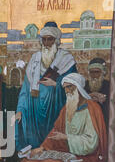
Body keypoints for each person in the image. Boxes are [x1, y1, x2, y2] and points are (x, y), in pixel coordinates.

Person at [9, 73, 107, 162]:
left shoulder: (92, 109)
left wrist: (67, 138)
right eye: (65, 88)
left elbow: (92, 143)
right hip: (64, 152)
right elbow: (55, 133)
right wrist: (41, 149)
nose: (67, 91)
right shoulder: (67, 109)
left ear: (79, 88)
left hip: (86, 157)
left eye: (70, 87)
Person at [15, 22, 77, 151]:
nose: (47, 43)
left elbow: (75, 85)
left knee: (53, 145)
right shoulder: (34, 60)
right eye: (44, 39)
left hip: (56, 108)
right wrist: (20, 109)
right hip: (34, 111)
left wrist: (56, 84)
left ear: (56, 41)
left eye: (50, 39)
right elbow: (26, 89)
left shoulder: (66, 59)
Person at [84, 57, 110, 126]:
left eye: (97, 72)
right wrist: (94, 94)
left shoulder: (108, 85)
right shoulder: (84, 85)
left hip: (103, 118)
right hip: (87, 119)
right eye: (91, 72)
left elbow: (107, 101)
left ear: (102, 72)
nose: (94, 75)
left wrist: (90, 97)